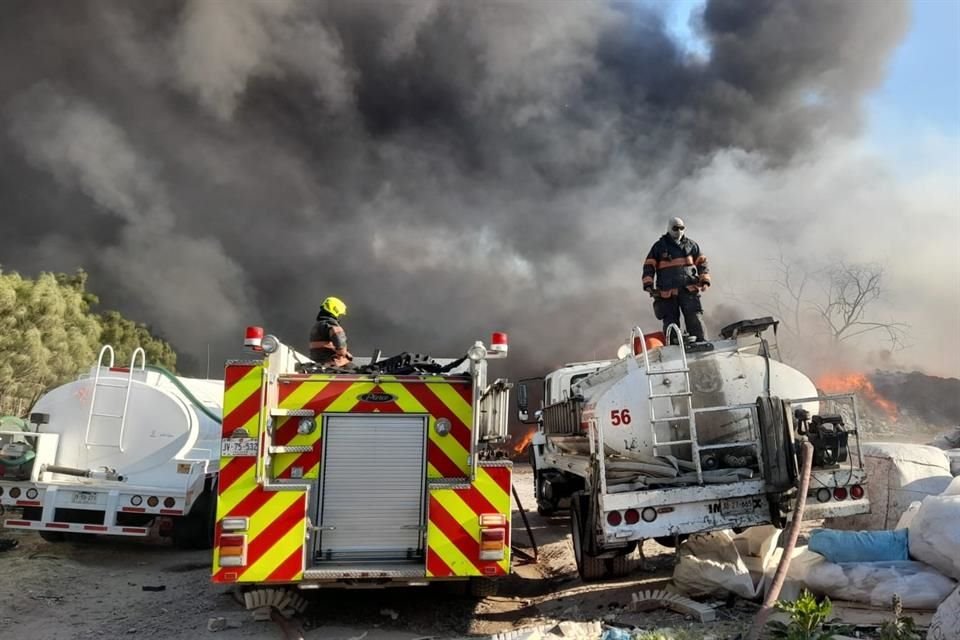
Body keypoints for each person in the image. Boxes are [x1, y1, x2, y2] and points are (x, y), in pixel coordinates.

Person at [642, 217, 710, 343]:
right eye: (675, 228)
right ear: (669, 228)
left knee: (694, 317)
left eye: (681, 228)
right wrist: (648, 284)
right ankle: (673, 346)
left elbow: (702, 263)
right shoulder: (659, 247)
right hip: (667, 292)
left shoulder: (691, 245)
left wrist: (704, 280)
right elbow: (649, 265)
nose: (679, 231)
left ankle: (701, 343)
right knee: (670, 321)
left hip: (688, 290)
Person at [309, 296, 354, 367]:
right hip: (331, 362)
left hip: (318, 361)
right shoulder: (331, 324)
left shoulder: (317, 325)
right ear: (335, 310)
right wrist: (345, 354)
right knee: (354, 369)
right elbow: (340, 344)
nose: (339, 316)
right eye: (339, 314)